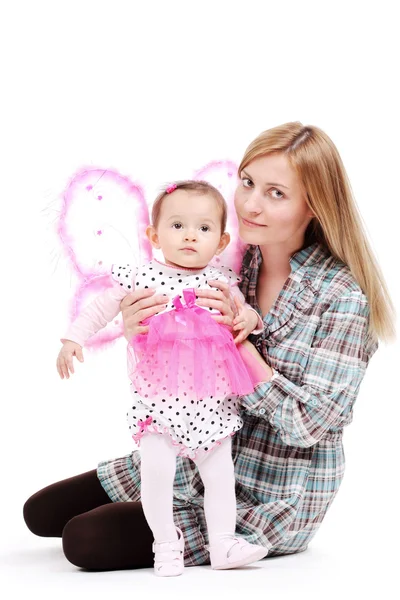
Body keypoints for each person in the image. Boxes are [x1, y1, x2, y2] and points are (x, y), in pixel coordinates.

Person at [24, 122, 395, 573]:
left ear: (314, 205)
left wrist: (234, 342)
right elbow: (174, 349)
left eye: (276, 193)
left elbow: (307, 426)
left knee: (84, 539)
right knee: (40, 513)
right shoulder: (237, 259)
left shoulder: (342, 298)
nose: (251, 205)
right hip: (189, 441)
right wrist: (138, 325)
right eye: (248, 183)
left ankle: (208, 545)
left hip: (269, 489)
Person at [55, 179, 270, 576]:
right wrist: (73, 339)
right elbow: (101, 308)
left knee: (220, 475)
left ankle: (223, 542)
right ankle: (166, 544)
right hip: (160, 404)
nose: (190, 235)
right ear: (154, 235)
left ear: (221, 242)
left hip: (213, 401)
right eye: (177, 226)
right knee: (157, 476)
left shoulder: (220, 280)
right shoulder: (139, 277)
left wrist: (248, 319)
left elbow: (247, 315)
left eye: (203, 229)